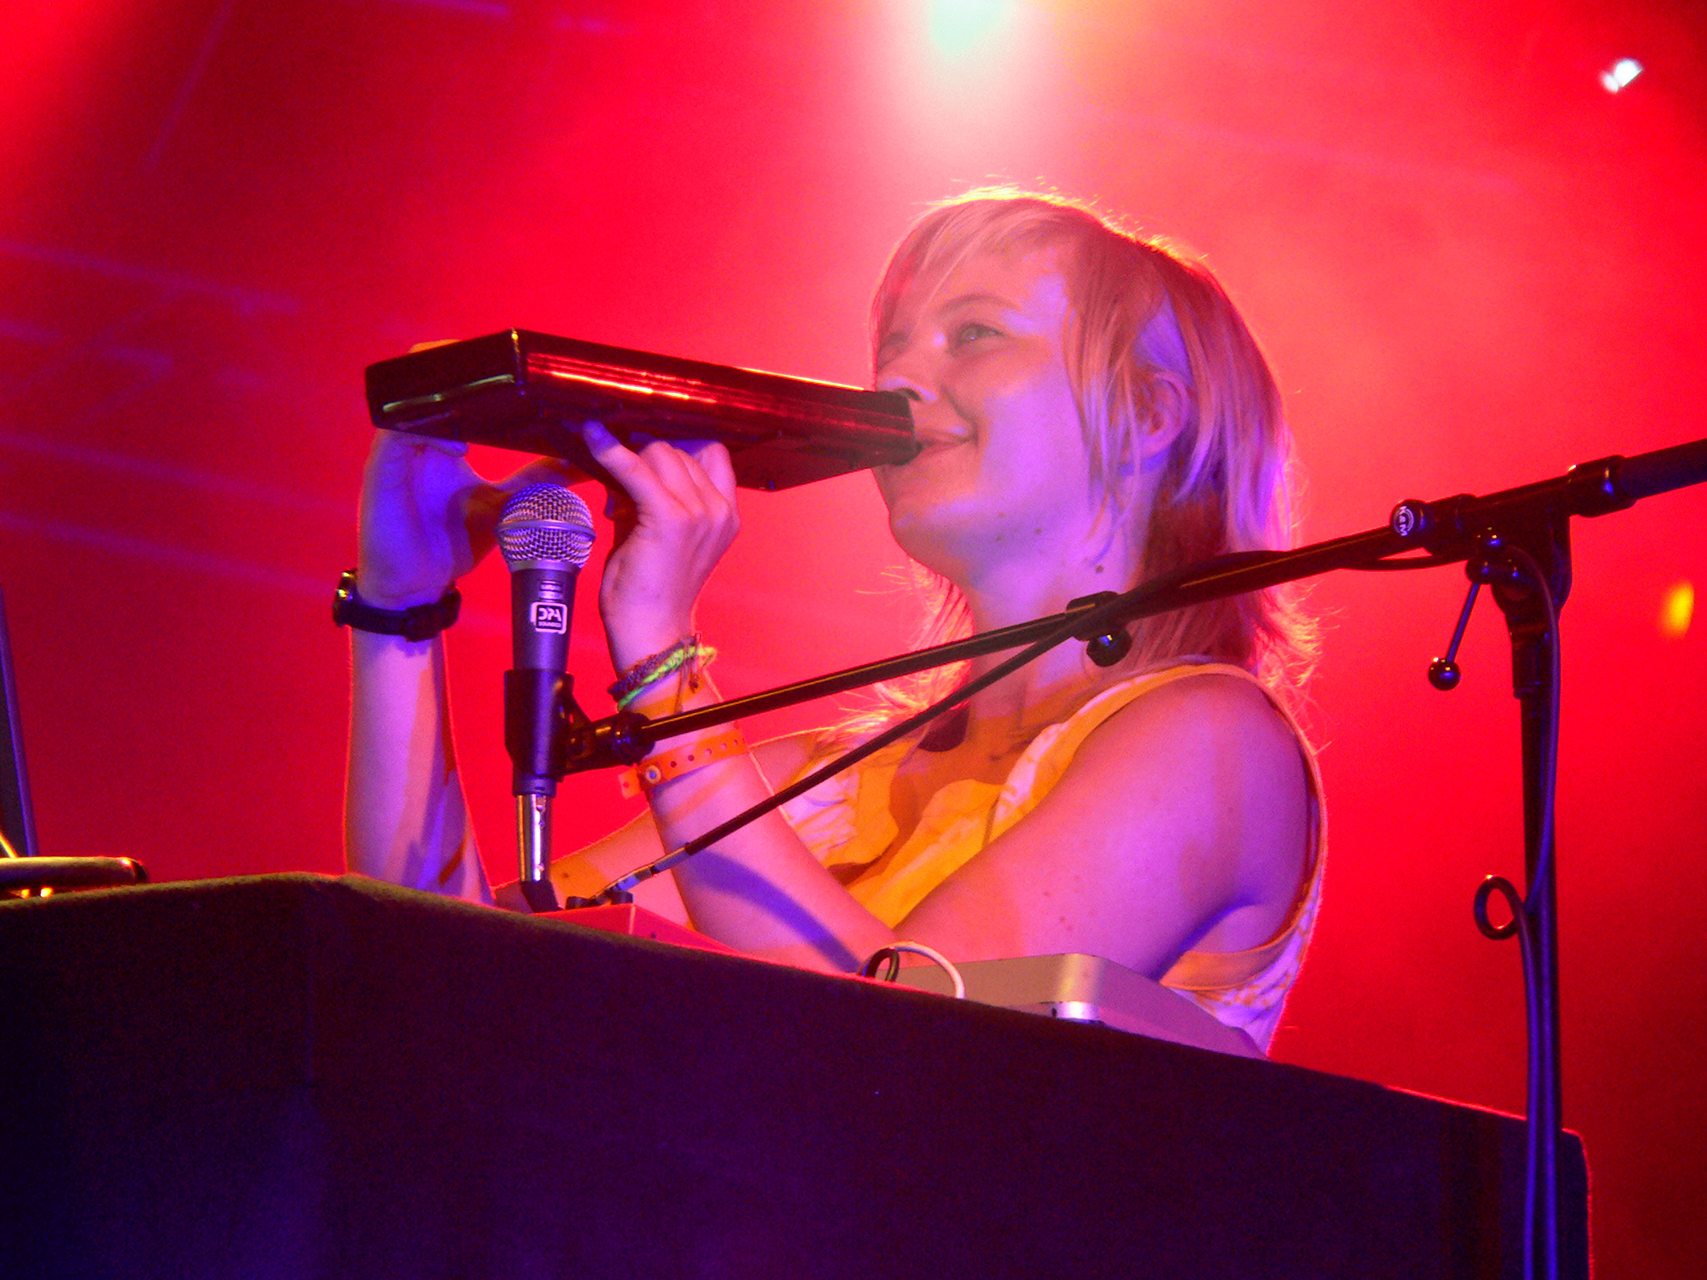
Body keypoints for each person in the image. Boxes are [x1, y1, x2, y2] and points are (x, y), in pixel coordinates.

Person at [344, 190, 1322, 1050]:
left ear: (1152, 415)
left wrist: (660, 651)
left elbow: (899, 1040)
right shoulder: (833, 775)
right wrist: (399, 611)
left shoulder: (1215, 739)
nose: (897, 380)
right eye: (891, 347)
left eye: (972, 334)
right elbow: (445, 970)